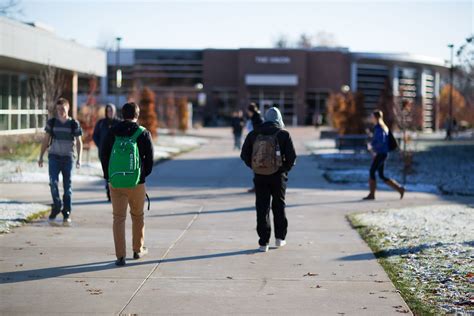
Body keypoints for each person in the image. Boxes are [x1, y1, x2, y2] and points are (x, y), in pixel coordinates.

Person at [100, 102, 154, 266]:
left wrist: (108, 176)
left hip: (116, 182)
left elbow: (104, 154)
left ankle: (120, 256)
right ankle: (137, 250)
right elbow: (150, 160)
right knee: (138, 216)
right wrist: (142, 174)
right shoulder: (143, 133)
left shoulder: (112, 131)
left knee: (119, 218)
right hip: (136, 182)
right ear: (137, 115)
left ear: (122, 115)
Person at [241, 107, 297, 252]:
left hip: (259, 176)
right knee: (279, 206)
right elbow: (292, 158)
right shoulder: (284, 134)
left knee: (262, 207)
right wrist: (283, 169)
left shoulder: (254, 133)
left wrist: (254, 167)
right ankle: (280, 238)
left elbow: (244, 154)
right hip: (278, 176)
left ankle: (263, 243)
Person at [38, 98, 83, 226]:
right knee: (53, 183)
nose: (60, 111)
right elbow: (46, 140)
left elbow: (79, 142)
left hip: (68, 158)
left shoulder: (74, 124)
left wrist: (79, 159)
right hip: (54, 157)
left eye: (62, 109)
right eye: (58, 109)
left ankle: (66, 211)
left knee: (67, 187)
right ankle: (57, 205)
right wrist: (41, 156)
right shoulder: (52, 123)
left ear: (67, 109)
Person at [364, 110, 405, 200]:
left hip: (381, 153)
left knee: (372, 171)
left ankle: (372, 194)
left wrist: (372, 146)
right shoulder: (382, 127)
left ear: (376, 117)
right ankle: (400, 189)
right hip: (383, 153)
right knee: (381, 175)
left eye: (372, 117)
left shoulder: (379, 127)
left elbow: (381, 140)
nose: (371, 118)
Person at [93, 103, 120, 201]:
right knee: (107, 173)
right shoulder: (101, 123)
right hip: (104, 153)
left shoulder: (119, 123)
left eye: (111, 110)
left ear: (114, 111)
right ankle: (109, 191)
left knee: (115, 173)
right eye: (108, 110)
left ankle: (115, 191)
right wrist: (100, 145)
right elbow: (95, 135)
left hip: (116, 153)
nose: (110, 112)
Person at [245, 103, 264, 193]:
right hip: (255, 144)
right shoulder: (255, 118)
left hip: (257, 145)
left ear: (250, 111)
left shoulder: (257, 119)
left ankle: (258, 186)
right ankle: (257, 186)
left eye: (248, 111)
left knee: (257, 167)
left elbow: (257, 133)